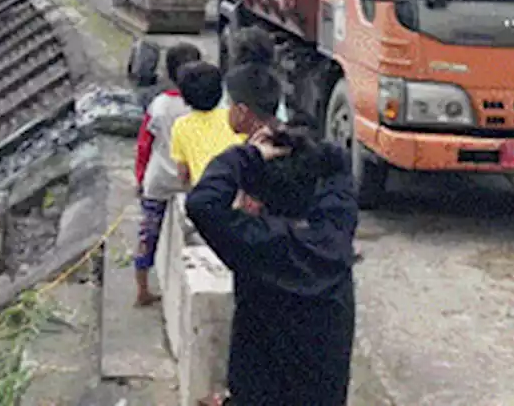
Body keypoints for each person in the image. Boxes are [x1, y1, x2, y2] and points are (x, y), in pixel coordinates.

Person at [186, 90, 358, 406]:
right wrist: (303, 148)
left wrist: (248, 155)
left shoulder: (257, 246)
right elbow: (339, 167)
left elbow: (201, 203)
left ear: (257, 201)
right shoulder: (336, 234)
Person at [133, 42, 201, 307]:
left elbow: (144, 145)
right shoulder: (203, 107)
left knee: (148, 234)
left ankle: (141, 289)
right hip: (192, 182)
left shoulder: (159, 105)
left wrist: (139, 179)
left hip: (158, 180)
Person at [170, 62, 243, 187]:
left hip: (205, 190)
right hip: (237, 186)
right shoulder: (235, 117)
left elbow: (183, 172)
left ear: (184, 97)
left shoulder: (181, 125)